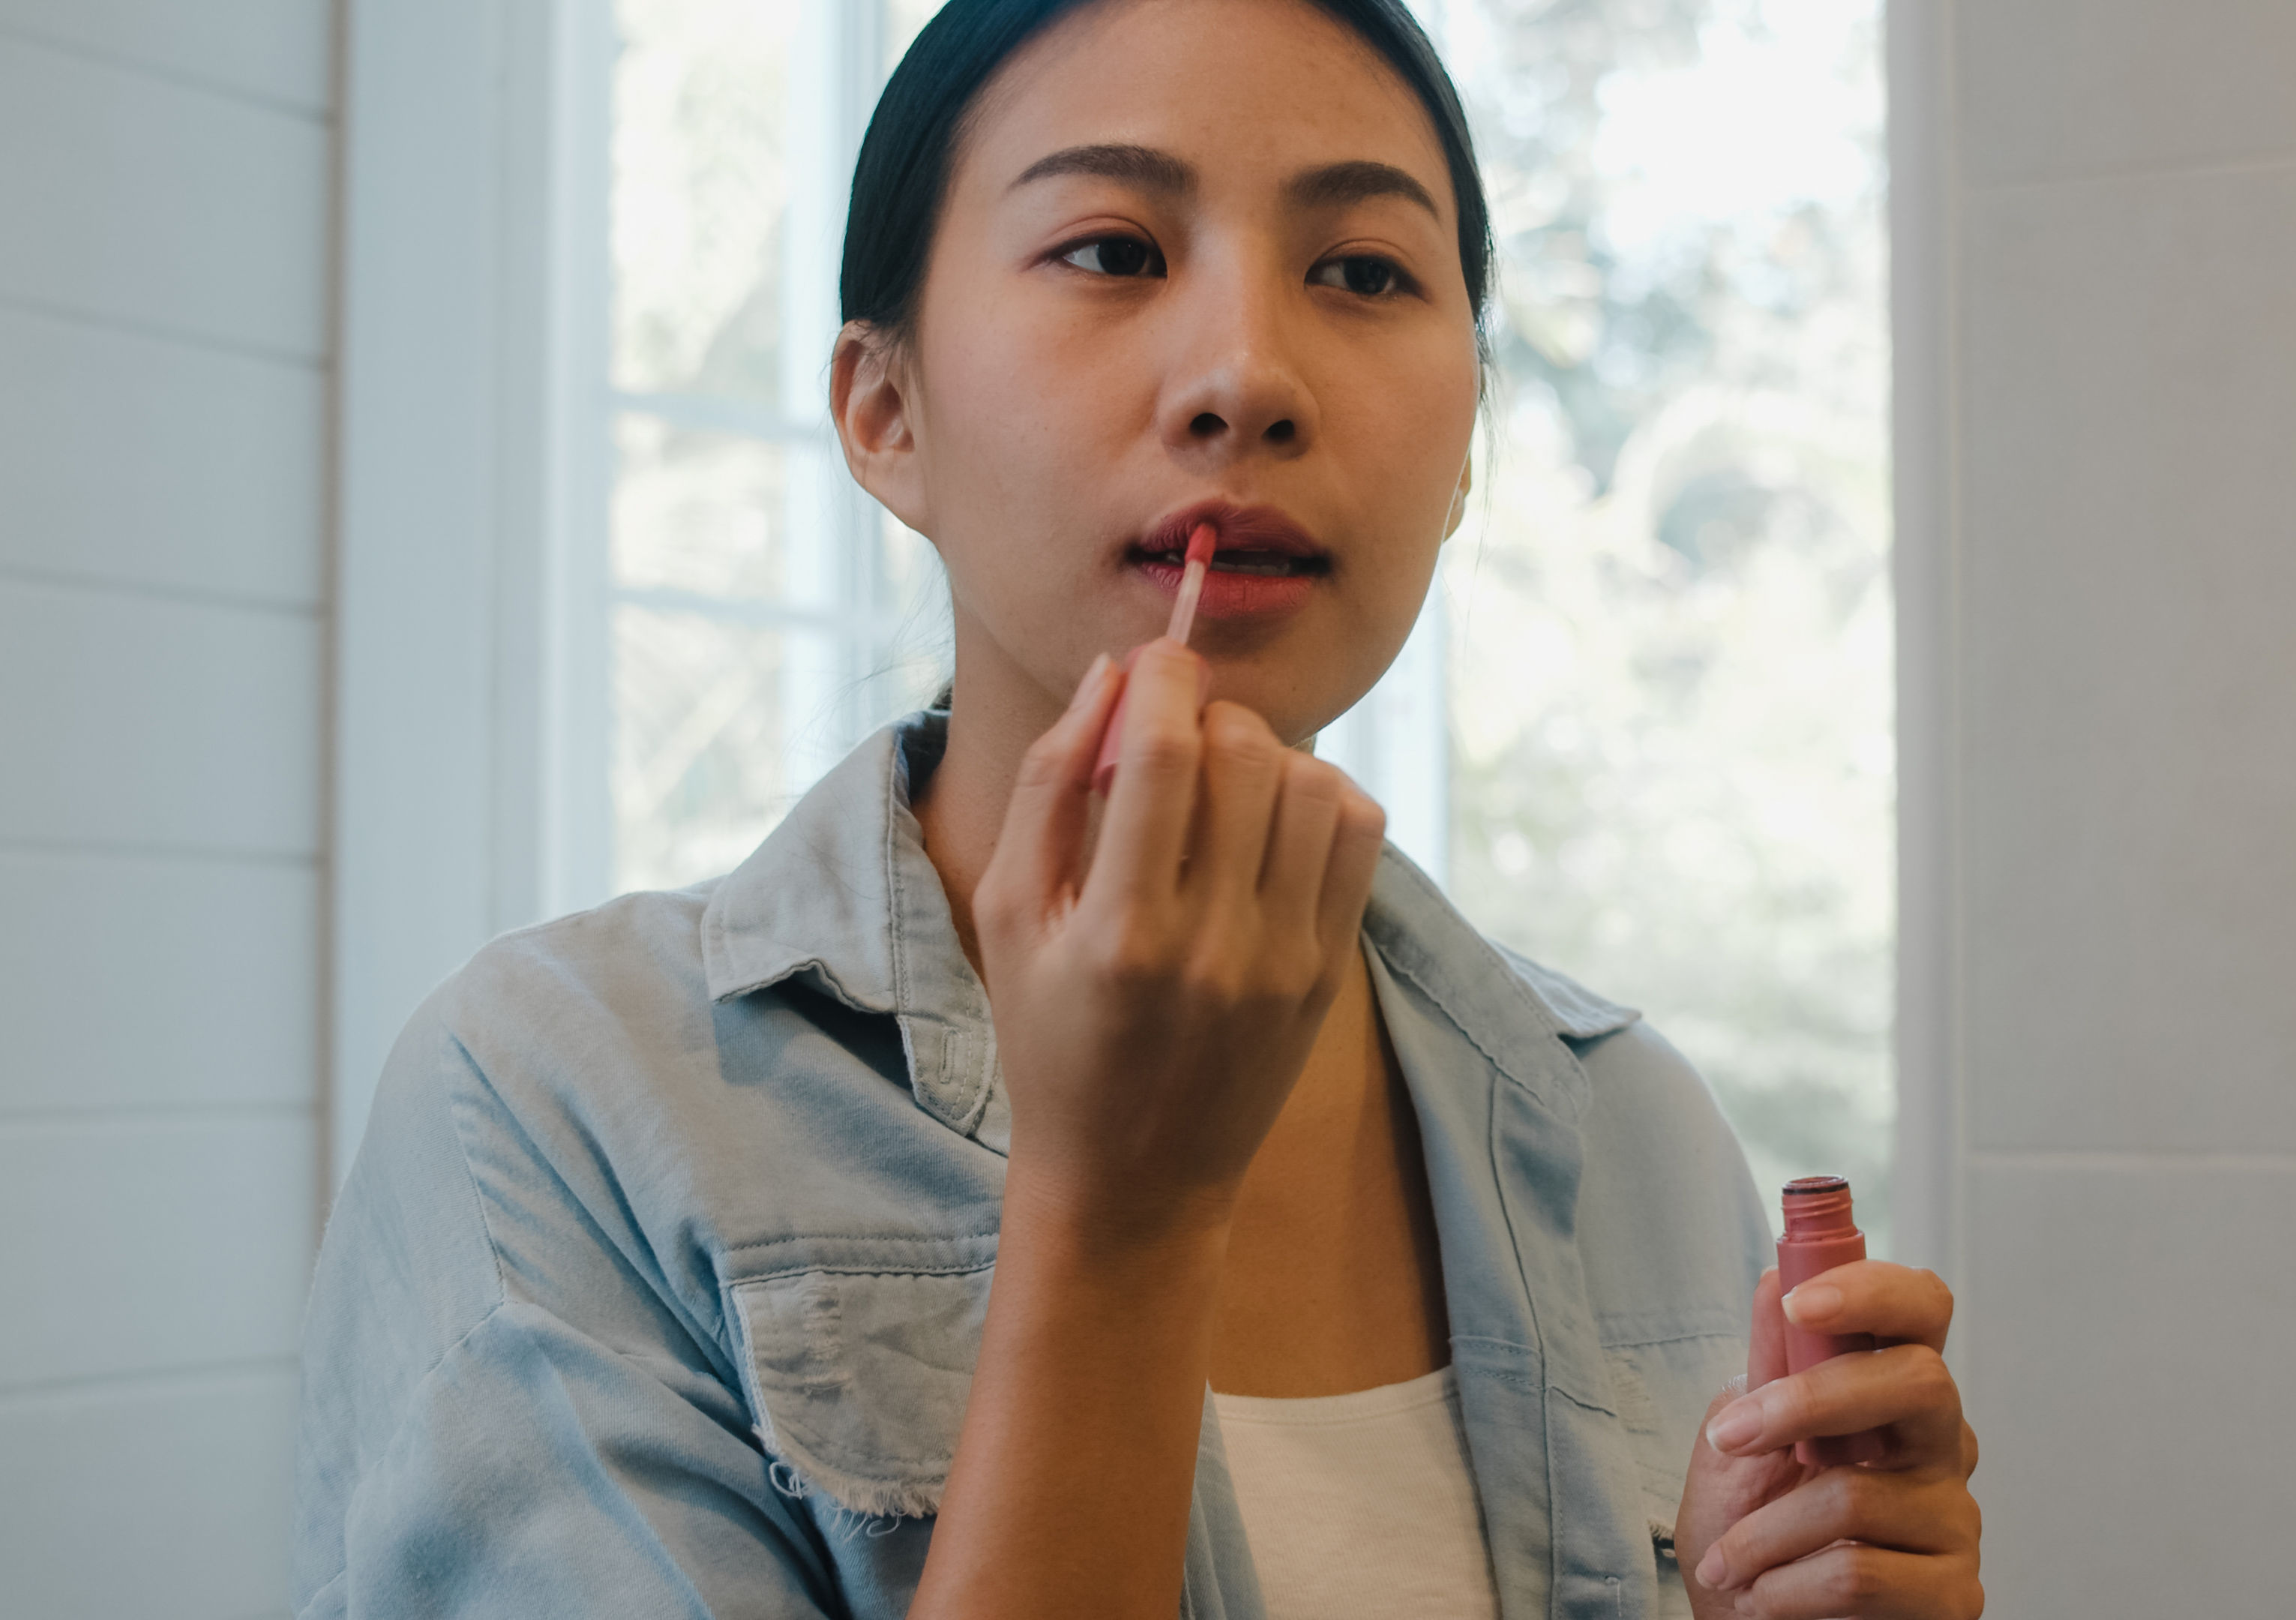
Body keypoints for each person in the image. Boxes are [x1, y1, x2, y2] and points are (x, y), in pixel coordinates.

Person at [290, 0, 1982, 1614]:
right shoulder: (552, 1111)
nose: (1246, 378)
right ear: (885, 415)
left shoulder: (1636, 1132)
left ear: (1467, 449)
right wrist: (1121, 1220)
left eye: (1364, 271)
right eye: (1110, 250)